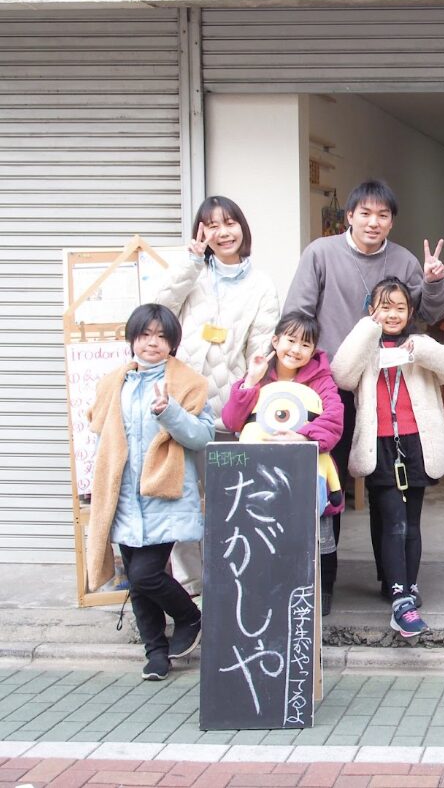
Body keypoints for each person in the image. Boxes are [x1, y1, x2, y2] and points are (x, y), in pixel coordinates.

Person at [283, 179, 444, 599]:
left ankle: (391, 579)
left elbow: (428, 313)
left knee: (384, 487)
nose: (374, 222)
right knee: (329, 482)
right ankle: (324, 581)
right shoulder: (321, 254)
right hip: (330, 387)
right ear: (349, 216)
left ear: (392, 221)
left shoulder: (406, 260)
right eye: (366, 214)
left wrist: (432, 282)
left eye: (383, 215)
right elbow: (299, 314)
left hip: (385, 387)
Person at [155, 195, 280, 596]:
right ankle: (192, 589)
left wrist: (243, 404)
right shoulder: (195, 273)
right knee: (184, 498)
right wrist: (189, 264)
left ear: (242, 227)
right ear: (200, 233)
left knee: (228, 502)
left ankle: (229, 587)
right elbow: (156, 313)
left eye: (229, 223)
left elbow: (259, 350)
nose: (222, 232)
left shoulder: (261, 285)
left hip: (228, 412)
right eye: (211, 225)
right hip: (183, 405)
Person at [331, 277, 444, 638]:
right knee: (393, 519)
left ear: (410, 312)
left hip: (416, 443)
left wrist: (419, 351)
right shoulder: (365, 343)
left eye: (400, 307)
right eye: (384, 306)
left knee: (411, 521)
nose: (392, 314)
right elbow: (342, 375)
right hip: (379, 444)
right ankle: (400, 598)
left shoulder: (420, 344)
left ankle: (404, 584)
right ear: (371, 309)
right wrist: (367, 328)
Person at [85, 304, 215, 682]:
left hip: (164, 496)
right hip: (123, 497)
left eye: (161, 336)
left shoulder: (188, 383)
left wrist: (169, 411)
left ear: (172, 343)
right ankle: (156, 654)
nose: (152, 343)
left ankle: (192, 617)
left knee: (144, 576)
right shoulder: (114, 383)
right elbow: (102, 434)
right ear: (133, 339)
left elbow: (202, 437)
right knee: (139, 585)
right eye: (145, 335)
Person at [220, 310, 344, 616]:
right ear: (276, 341)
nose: (296, 349)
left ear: (314, 350)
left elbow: (335, 420)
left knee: (320, 534)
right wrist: (250, 380)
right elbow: (232, 421)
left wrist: (304, 437)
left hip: (309, 470)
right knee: (267, 533)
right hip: (261, 475)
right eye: (290, 340)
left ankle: (323, 588)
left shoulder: (322, 380)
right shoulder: (259, 375)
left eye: (305, 344)